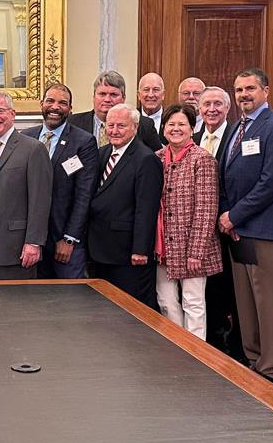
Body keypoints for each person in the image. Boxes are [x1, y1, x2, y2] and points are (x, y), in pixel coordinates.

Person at [218, 67, 273, 388]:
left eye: (250, 88)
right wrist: (226, 215)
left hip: (264, 231)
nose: (244, 95)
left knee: (268, 303)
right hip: (237, 230)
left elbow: (272, 183)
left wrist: (234, 216)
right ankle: (253, 361)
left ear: (265, 90)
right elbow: (225, 175)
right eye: (238, 90)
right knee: (246, 303)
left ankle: (271, 371)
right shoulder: (237, 127)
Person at [154, 104, 221, 338]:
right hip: (163, 246)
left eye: (182, 124)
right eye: (171, 124)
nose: (176, 129)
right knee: (166, 301)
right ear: (163, 129)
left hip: (192, 247)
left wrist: (196, 252)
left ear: (192, 128)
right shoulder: (157, 158)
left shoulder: (202, 159)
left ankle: (197, 355)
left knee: (193, 303)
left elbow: (206, 208)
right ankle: (176, 348)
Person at [87, 103, 163, 308]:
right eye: (110, 126)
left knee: (131, 308)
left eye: (121, 126)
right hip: (100, 248)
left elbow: (146, 209)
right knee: (105, 307)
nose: (114, 131)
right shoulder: (102, 153)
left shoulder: (146, 159)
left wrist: (140, 249)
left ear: (135, 128)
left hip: (127, 252)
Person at [20, 83, 98, 278]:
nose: (55, 107)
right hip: (30, 240)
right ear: (41, 104)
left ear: (70, 109)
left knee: (69, 301)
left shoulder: (84, 142)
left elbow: (84, 194)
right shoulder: (24, 137)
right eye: (50, 101)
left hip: (63, 240)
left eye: (63, 103)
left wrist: (70, 238)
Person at [0, 91, 52, 279]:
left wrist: (34, 242)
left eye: (0, 111)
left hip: (15, 247)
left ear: (12, 114)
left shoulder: (33, 149)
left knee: (15, 305)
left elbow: (40, 200)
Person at [192, 86, 242, 359]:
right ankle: (209, 339)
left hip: (226, 227)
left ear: (227, 108)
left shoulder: (236, 136)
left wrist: (226, 215)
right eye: (206, 104)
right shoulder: (193, 137)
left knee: (229, 292)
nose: (212, 109)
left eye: (217, 104)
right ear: (199, 109)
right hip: (200, 230)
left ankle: (230, 345)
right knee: (207, 290)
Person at [69, 70, 162, 151]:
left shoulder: (144, 125)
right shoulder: (73, 123)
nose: (107, 99)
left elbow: (158, 158)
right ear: (93, 96)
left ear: (123, 98)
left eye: (113, 95)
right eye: (102, 94)